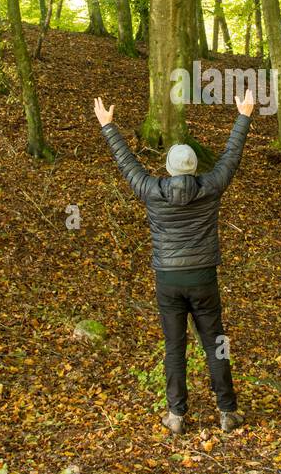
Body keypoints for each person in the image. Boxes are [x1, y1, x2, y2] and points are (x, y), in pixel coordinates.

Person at [93, 90, 254, 434]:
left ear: (167, 168)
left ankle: (176, 415)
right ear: (195, 167)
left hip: (168, 280)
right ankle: (227, 410)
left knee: (174, 346)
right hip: (203, 278)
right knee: (216, 343)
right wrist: (243, 116)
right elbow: (231, 158)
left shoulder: (152, 190)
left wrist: (108, 126)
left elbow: (127, 164)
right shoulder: (210, 186)